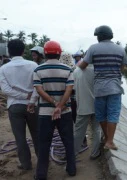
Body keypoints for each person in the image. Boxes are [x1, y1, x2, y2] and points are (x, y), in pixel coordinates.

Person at [79, 25, 127, 150]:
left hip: (99, 88)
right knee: (113, 114)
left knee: (101, 115)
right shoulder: (120, 49)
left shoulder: (93, 48)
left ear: (100, 36)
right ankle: (110, 141)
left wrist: (78, 63)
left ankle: (107, 139)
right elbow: (123, 67)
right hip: (115, 88)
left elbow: (83, 66)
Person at [33, 41, 76, 180]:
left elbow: (39, 90)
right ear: (59, 53)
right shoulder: (67, 70)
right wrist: (60, 106)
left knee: (44, 143)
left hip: (45, 113)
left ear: (45, 53)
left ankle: (41, 174)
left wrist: (54, 103)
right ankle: (71, 170)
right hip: (65, 112)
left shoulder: (38, 70)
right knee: (68, 141)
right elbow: (69, 90)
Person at [0, 39, 39, 170]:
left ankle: (26, 164)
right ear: (23, 51)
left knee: (20, 137)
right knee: (37, 134)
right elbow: (38, 86)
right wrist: (30, 98)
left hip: (14, 106)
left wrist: (21, 96)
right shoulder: (33, 65)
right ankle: (42, 161)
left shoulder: (4, 68)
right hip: (32, 105)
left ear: (9, 52)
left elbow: (5, 90)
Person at [73, 64, 102, 159]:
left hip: (83, 106)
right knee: (97, 129)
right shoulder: (98, 71)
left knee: (78, 132)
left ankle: (73, 154)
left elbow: (73, 88)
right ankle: (94, 153)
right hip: (97, 106)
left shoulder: (76, 71)